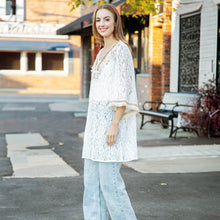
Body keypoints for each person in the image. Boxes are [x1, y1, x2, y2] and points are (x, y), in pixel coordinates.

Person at [82, 3, 139, 220]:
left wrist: (114, 124)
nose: (102, 24)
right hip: (94, 128)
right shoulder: (101, 51)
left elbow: (122, 92)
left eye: (107, 19)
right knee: (91, 185)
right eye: (98, 20)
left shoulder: (121, 50)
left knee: (111, 185)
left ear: (115, 22)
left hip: (110, 125)